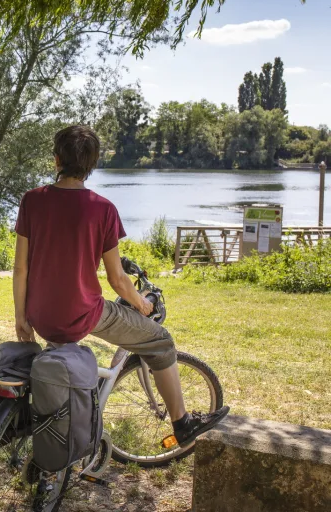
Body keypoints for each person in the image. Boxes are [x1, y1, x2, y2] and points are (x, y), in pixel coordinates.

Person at [13, 125, 229, 447]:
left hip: (40, 315)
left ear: (56, 160)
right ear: (91, 166)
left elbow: (21, 268)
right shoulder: (103, 209)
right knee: (160, 341)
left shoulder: (32, 201)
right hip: (83, 314)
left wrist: (21, 317)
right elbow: (117, 279)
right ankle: (182, 422)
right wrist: (141, 305)